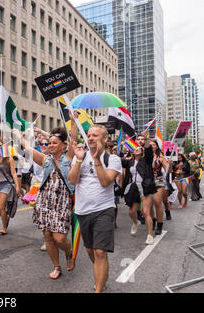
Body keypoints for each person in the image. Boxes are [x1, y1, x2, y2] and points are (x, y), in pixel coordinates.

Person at [19, 120, 78, 280]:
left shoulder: (68, 158)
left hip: (62, 203)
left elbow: (74, 138)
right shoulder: (46, 159)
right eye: (49, 142)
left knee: (59, 238)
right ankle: (57, 267)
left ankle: (68, 251)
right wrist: (19, 136)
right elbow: (28, 148)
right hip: (44, 202)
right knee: (48, 237)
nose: (50, 145)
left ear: (63, 145)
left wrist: (73, 121)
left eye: (54, 143)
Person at [68, 125, 122, 293]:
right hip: (83, 211)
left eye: (95, 135)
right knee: (91, 250)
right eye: (89, 135)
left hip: (103, 210)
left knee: (100, 251)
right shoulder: (80, 156)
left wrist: (97, 159)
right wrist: (77, 160)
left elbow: (106, 182)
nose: (90, 137)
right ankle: (102, 272)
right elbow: (72, 180)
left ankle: (99, 288)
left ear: (105, 139)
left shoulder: (112, 159)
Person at [121, 132, 157, 244]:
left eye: (138, 148)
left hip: (145, 187)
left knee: (146, 212)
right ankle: (136, 222)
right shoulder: (129, 162)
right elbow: (117, 160)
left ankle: (150, 235)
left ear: (141, 151)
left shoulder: (146, 160)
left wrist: (145, 139)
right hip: (133, 188)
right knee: (131, 212)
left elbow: (149, 151)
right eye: (134, 148)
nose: (136, 149)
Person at [0, 140, 20, 236]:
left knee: (1, 207)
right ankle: (5, 217)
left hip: (6, 184)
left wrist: (17, 186)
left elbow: (14, 173)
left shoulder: (9, 159)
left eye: (0, 146)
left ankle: (4, 228)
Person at [150, 140, 169, 235]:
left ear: (157, 146)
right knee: (149, 204)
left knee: (157, 202)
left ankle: (159, 224)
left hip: (158, 180)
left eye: (154, 145)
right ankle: (152, 220)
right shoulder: (144, 156)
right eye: (150, 145)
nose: (152, 146)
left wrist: (170, 164)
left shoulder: (161, 158)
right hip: (147, 181)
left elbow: (168, 170)